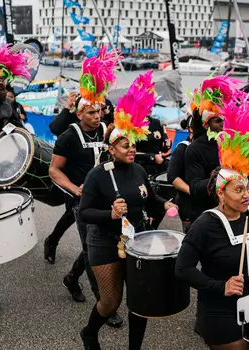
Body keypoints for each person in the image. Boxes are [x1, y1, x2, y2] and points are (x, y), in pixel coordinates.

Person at [176, 93, 249, 350]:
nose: (246, 194)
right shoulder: (205, 224)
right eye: (238, 190)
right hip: (218, 311)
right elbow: (182, 269)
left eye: (247, 188)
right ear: (221, 193)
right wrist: (221, 286)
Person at [78, 72, 177, 349]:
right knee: (110, 303)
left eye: (133, 144)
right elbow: (84, 212)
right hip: (105, 241)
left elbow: (150, 197)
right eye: (125, 145)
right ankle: (89, 332)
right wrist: (109, 214)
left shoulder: (139, 170)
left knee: (139, 300)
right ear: (112, 148)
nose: (131, 149)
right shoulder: (98, 175)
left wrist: (165, 203)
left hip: (136, 241)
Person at [48, 46, 124, 328]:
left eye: (99, 111)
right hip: (82, 203)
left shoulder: (107, 131)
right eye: (91, 112)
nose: (96, 115)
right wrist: (76, 190)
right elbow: (53, 170)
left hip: (109, 201)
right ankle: (105, 304)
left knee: (97, 248)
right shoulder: (69, 136)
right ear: (79, 113)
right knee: (95, 253)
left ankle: (70, 278)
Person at [184, 75, 245, 223]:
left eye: (225, 120)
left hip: (233, 212)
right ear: (206, 125)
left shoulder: (232, 144)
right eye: (218, 121)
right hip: (205, 216)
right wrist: (222, 178)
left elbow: (245, 176)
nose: (223, 125)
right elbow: (195, 186)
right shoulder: (195, 148)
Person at [167, 114, 193, 230]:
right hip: (187, 205)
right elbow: (172, 176)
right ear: (191, 129)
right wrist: (193, 191)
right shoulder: (183, 148)